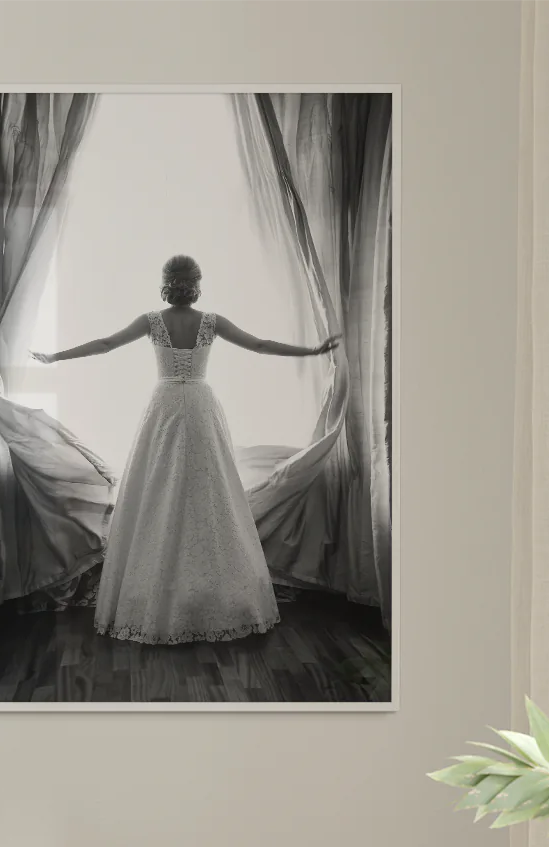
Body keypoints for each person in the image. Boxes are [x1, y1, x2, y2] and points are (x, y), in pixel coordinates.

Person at [31, 254, 339, 645]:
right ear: (196, 283)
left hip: (163, 406)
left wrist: (57, 357)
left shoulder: (152, 321)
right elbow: (259, 345)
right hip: (199, 404)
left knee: (159, 490)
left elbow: (107, 343)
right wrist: (311, 351)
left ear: (165, 282)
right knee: (207, 493)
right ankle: (209, 589)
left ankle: (159, 589)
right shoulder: (211, 322)